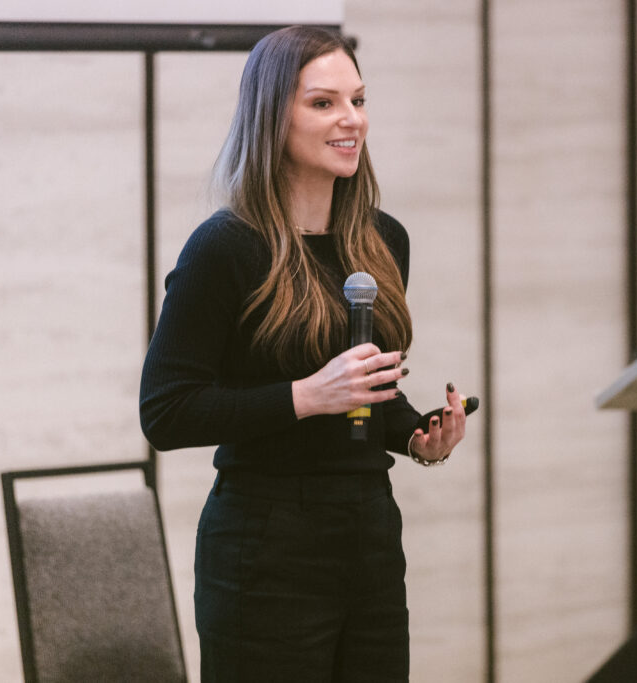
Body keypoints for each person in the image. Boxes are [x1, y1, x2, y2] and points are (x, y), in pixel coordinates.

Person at [139, 25, 467, 682]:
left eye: (358, 99)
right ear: (272, 116)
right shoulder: (224, 248)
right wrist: (306, 395)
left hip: (369, 533)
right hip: (263, 543)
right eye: (324, 103)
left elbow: (369, 390)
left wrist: (416, 433)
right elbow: (166, 410)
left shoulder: (383, 239)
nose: (351, 119)